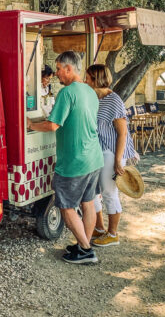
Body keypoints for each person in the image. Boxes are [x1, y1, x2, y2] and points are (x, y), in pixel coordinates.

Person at [27, 51, 104, 264]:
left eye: (59, 68)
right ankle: (82, 244)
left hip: (74, 161)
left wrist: (31, 125)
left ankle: (87, 250)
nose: (57, 73)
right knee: (88, 202)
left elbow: (53, 124)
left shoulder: (67, 93)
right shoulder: (90, 91)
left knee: (66, 206)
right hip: (94, 158)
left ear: (69, 69)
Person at [84, 64, 138, 247]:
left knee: (109, 192)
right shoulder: (93, 98)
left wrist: (117, 161)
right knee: (93, 193)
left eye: (88, 78)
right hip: (96, 151)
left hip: (111, 151)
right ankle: (99, 228)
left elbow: (122, 133)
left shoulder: (113, 100)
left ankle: (113, 234)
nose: (85, 81)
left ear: (96, 79)